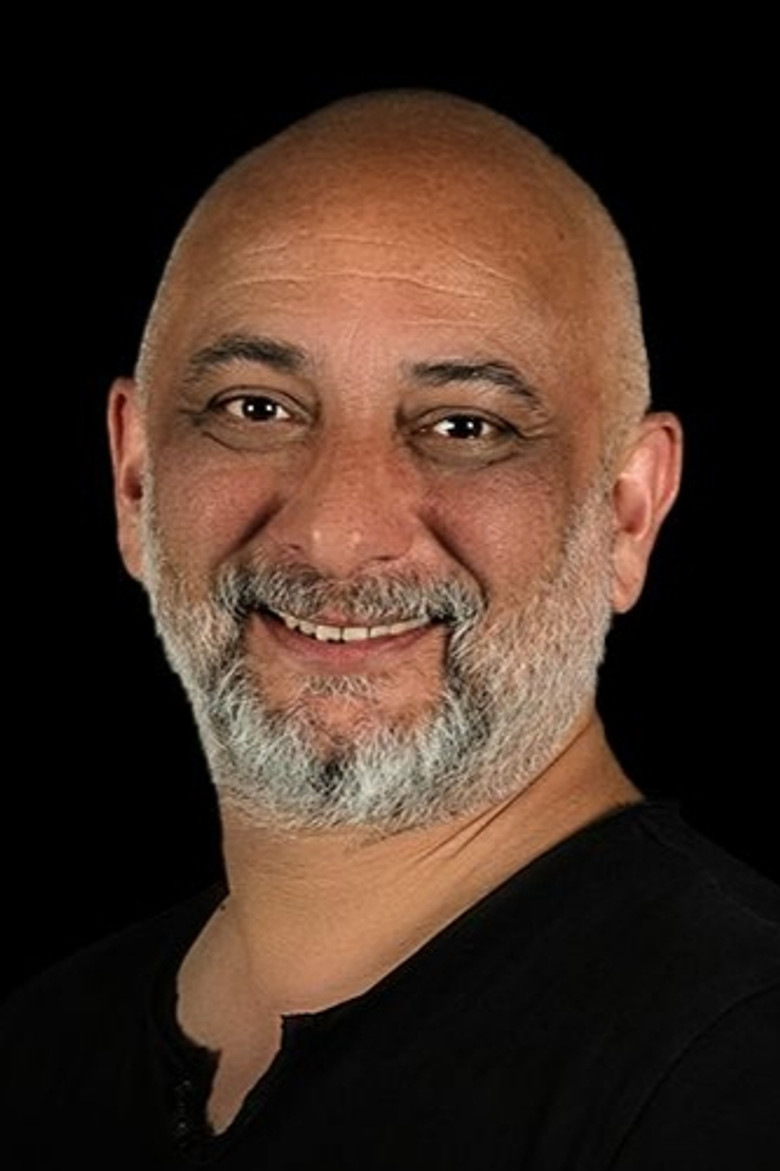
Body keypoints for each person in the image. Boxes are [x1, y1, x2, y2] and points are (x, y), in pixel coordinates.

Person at [2, 90, 778, 1168]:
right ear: (135, 478)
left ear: (628, 511)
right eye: (256, 408)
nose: (336, 531)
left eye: (465, 425)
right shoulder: (37, 1050)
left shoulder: (739, 1065)